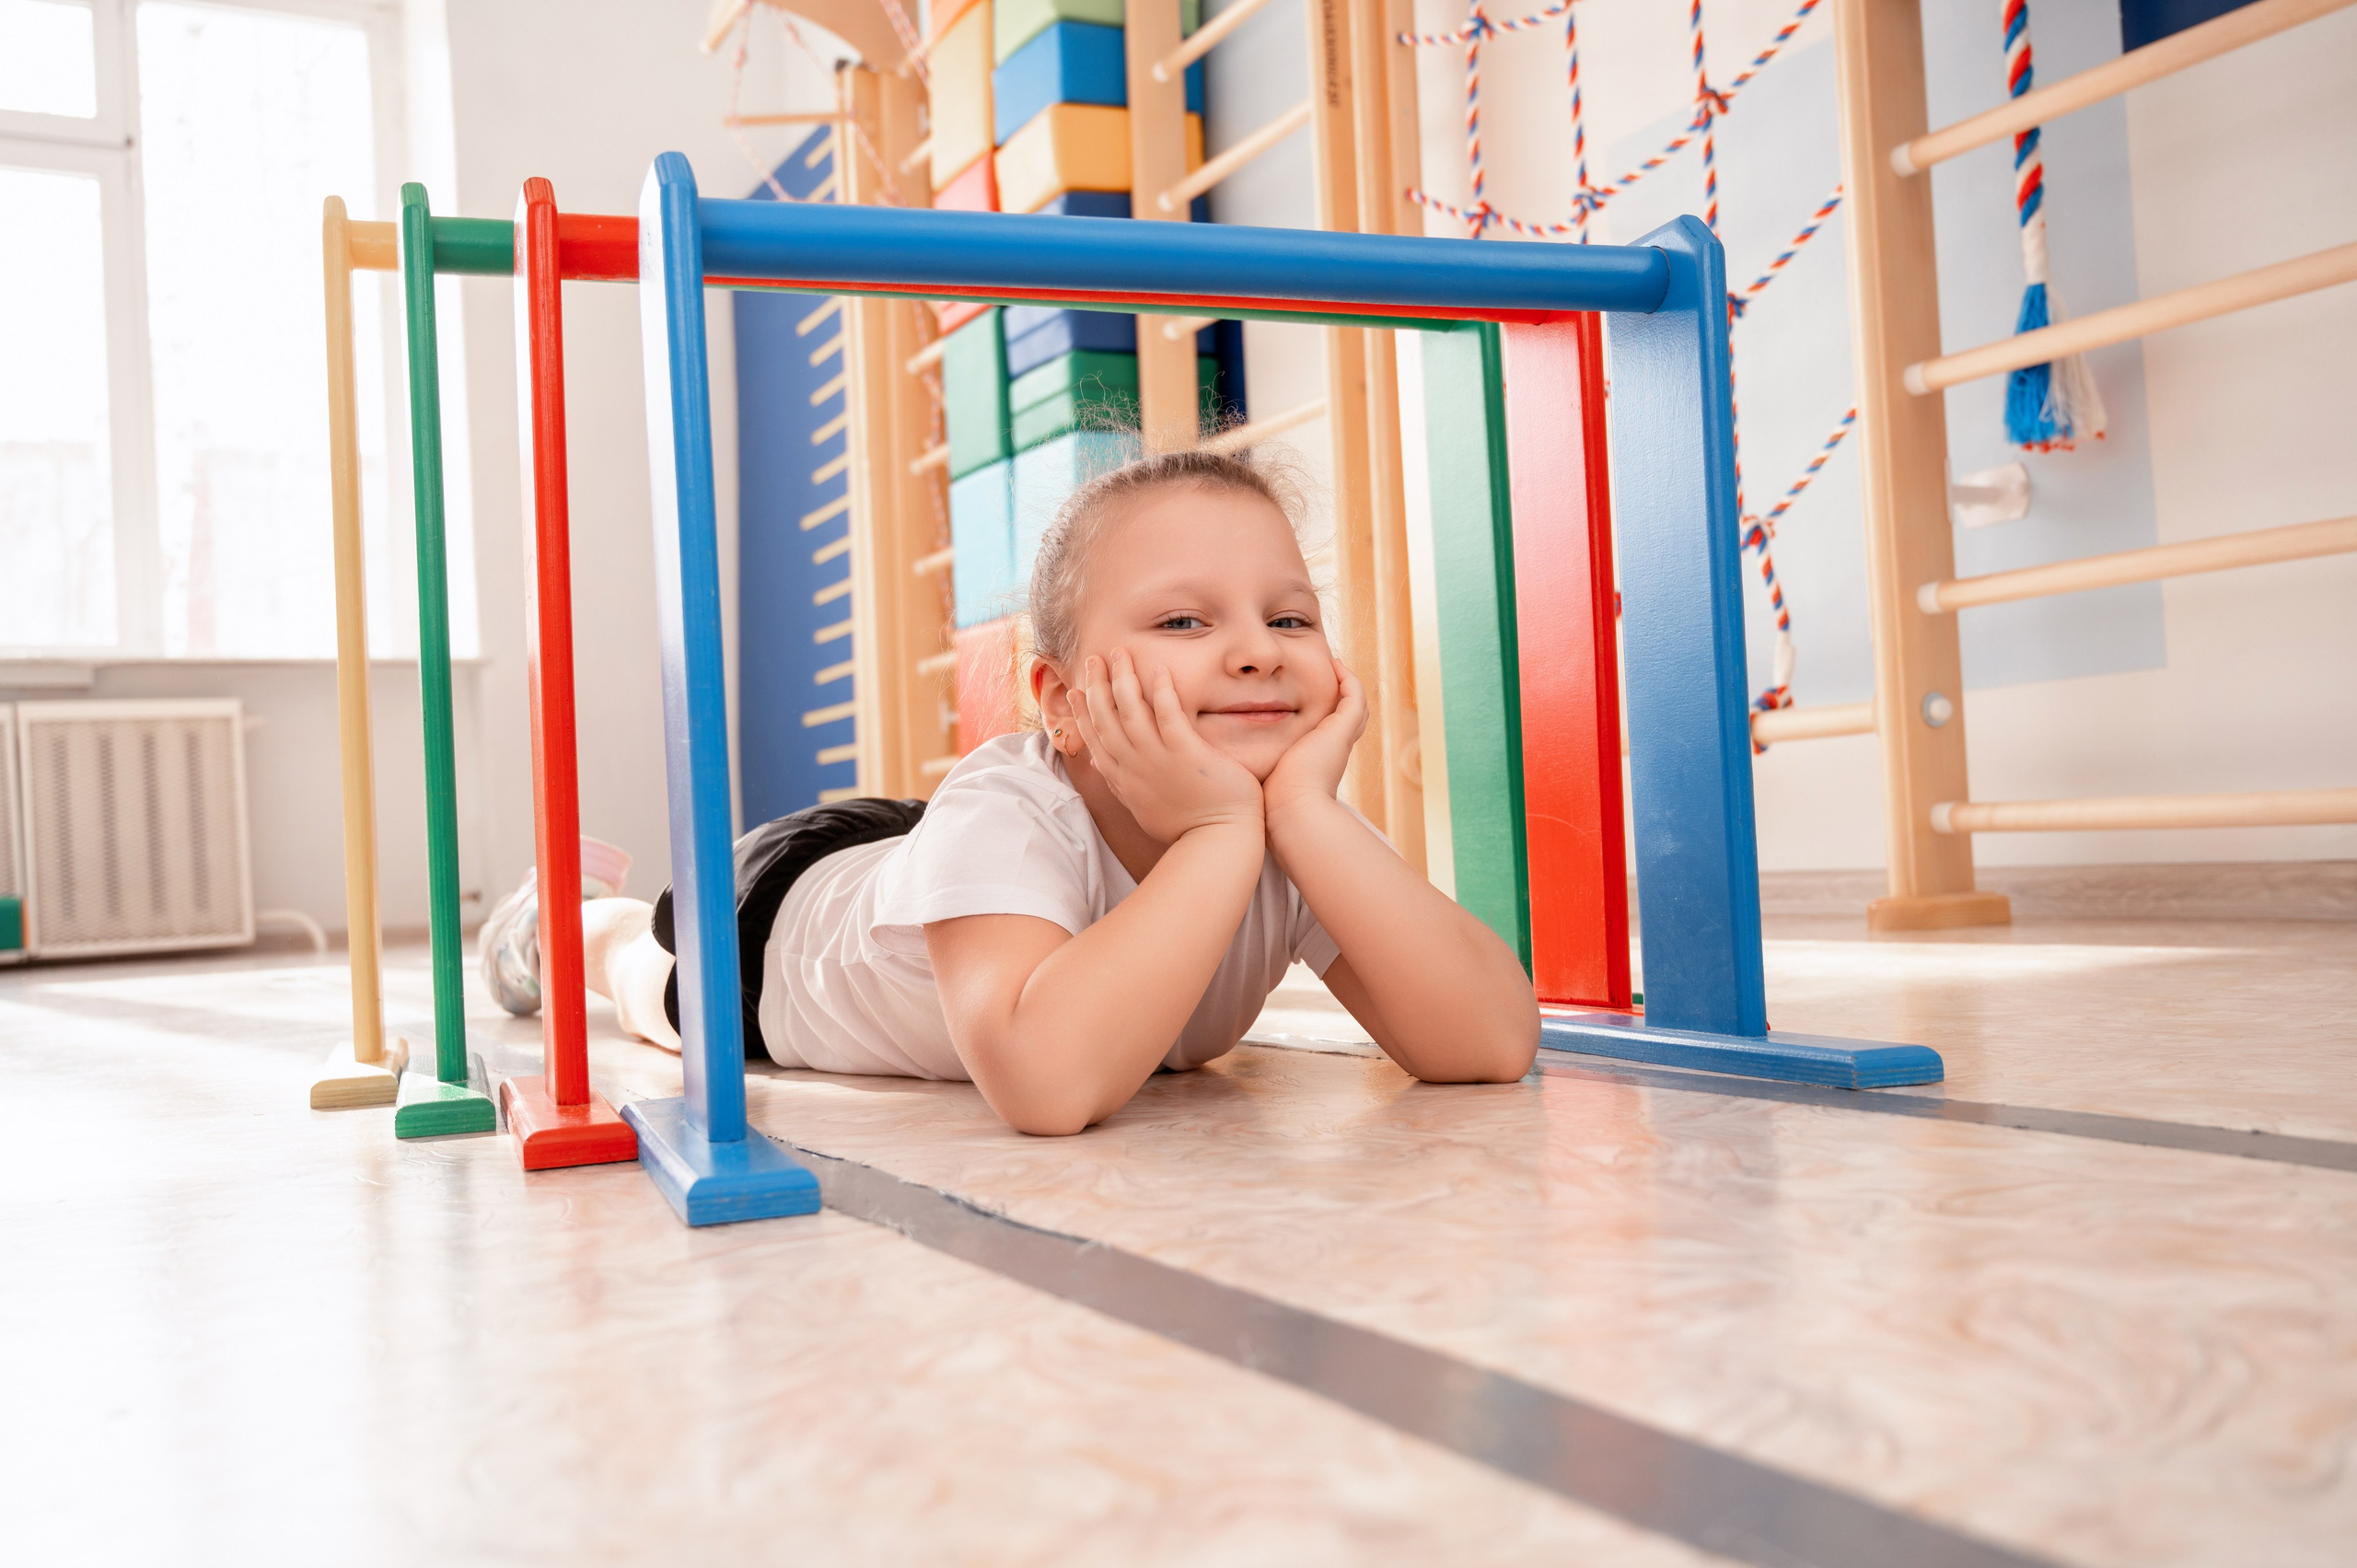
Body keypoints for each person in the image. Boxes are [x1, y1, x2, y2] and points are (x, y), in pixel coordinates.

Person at [553, 447, 1538, 1135]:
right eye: (1186, 622)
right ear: (1062, 699)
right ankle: (575, 915)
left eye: (1290, 617)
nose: (1254, 653)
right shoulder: (1043, 809)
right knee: (652, 983)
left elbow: (1491, 1041)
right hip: (777, 920)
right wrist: (1216, 835)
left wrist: (1302, 818)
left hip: (944, 868)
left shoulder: (1290, 818)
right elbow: (1045, 1083)